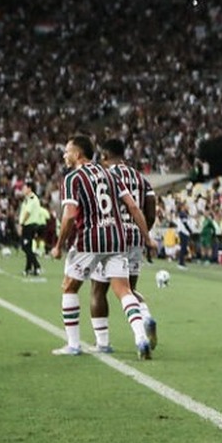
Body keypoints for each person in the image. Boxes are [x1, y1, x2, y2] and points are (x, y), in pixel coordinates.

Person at [49, 135, 157, 358]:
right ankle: (140, 338)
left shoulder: (73, 178)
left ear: (78, 155)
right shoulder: (110, 174)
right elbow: (134, 207)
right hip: (118, 239)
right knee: (124, 290)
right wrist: (147, 237)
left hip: (90, 239)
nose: (64, 155)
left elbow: (69, 216)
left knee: (69, 287)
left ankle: (73, 345)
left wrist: (58, 245)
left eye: (67, 151)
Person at [86, 138, 159, 357]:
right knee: (129, 289)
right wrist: (144, 234)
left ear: (105, 156)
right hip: (136, 236)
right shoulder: (141, 178)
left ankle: (102, 342)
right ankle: (145, 317)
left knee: (98, 290)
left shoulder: (105, 176)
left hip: (111, 237)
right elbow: (150, 211)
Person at [18, 182, 44, 276]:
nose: (23, 190)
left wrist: (21, 224)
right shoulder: (28, 199)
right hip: (28, 225)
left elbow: (27, 212)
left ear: (29, 188)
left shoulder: (32, 199)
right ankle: (28, 269)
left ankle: (37, 266)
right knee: (27, 247)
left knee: (25, 247)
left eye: (24, 188)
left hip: (29, 225)